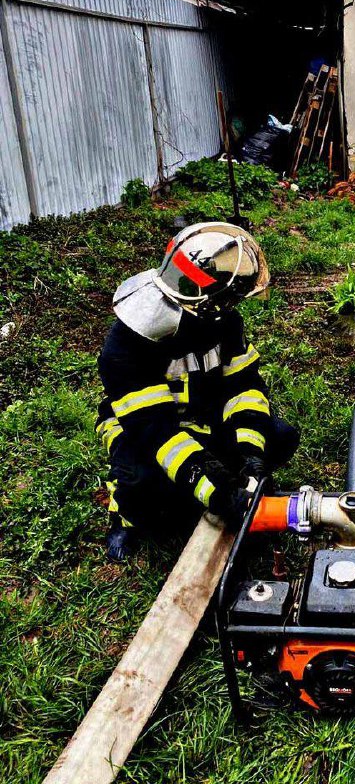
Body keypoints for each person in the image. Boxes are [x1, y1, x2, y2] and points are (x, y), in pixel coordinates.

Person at [96, 222, 299, 561]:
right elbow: (155, 432)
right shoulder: (125, 345)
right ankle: (125, 519)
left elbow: (245, 388)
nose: (233, 307)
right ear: (206, 300)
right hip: (140, 429)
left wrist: (252, 454)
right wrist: (214, 492)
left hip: (204, 415)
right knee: (141, 480)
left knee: (280, 436)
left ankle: (226, 475)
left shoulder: (222, 321)